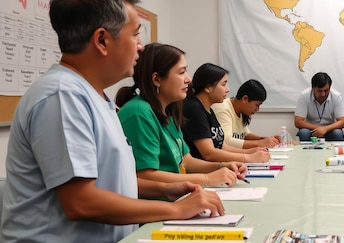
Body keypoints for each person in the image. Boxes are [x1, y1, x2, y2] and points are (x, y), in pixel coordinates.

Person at [0, 0, 223, 243]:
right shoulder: (62, 96)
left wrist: (165, 189)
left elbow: (105, 182)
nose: (141, 47)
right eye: (135, 35)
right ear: (102, 40)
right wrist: (174, 210)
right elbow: (81, 201)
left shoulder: (93, 96)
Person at [116, 43, 247, 189]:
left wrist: (223, 166)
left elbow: (186, 160)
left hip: (177, 197)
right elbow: (145, 175)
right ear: (157, 79)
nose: (189, 79)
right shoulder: (139, 112)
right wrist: (207, 178)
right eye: (181, 72)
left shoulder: (167, 110)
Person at [182, 63, 271, 163]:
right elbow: (209, 153)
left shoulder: (209, 109)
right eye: (223, 84)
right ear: (208, 88)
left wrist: (251, 152)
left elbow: (222, 146)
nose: (227, 89)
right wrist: (248, 157)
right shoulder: (193, 108)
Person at [212, 79, 281, 149]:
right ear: (245, 99)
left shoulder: (241, 110)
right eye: (257, 105)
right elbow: (226, 141)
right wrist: (260, 143)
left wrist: (265, 139)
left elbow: (245, 135)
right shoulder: (223, 108)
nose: (258, 109)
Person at [294, 72, 344, 141]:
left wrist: (325, 129)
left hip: (329, 130)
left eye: (326, 90)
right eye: (319, 91)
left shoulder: (336, 96)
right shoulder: (304, 96)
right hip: (311, 130)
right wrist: (319, 129)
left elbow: (342, 121)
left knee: (338, 133)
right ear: (313, 88)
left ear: (330, 87)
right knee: (303, 132)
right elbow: (298, 122)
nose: (323, 94)